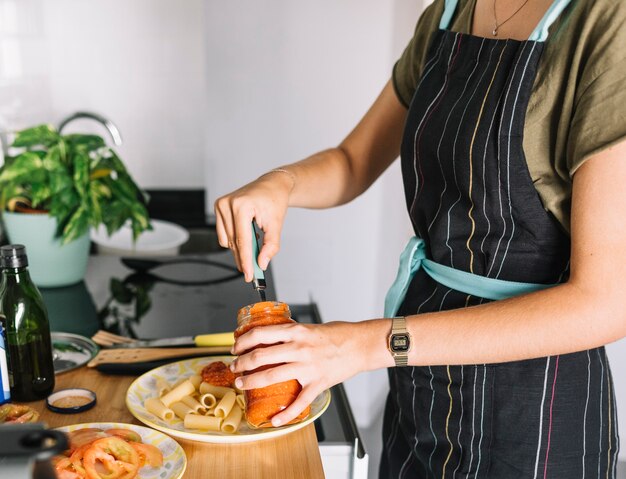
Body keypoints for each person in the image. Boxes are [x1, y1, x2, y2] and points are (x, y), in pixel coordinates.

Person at [216, 0, 626, 476]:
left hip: (534, 412)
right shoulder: (450, 13)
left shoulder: (606, 21)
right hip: (421, 383)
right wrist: (281, 182)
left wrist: (363, 346)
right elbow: (353, 161)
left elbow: (607, 302)